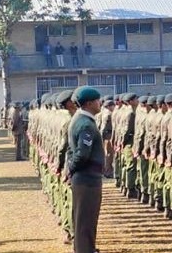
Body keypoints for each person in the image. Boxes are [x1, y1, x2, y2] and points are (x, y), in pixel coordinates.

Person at [67, 86, 105, 253]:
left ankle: (87, 248)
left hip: (85, 178)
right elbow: (82, 155)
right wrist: (72, 169)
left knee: (85, 220)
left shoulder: (80, 120)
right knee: (85, 221)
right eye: (97, 100)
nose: (100, 103)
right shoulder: (85, 124)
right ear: (89, 103)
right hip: (87, 179)